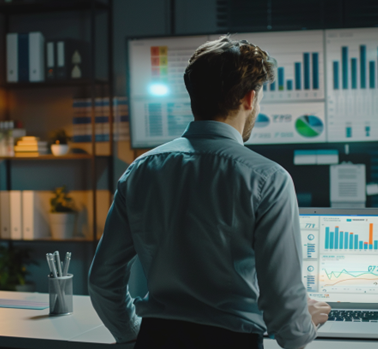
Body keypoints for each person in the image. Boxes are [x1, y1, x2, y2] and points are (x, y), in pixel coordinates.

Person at [88, 35, 331, 349]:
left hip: (155, 339)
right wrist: (305, 323)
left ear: (194, 97)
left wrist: (131, 332)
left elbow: (102, 279)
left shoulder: (141, 169)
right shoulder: (268, 178)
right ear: (249, 99)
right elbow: (288, 326)